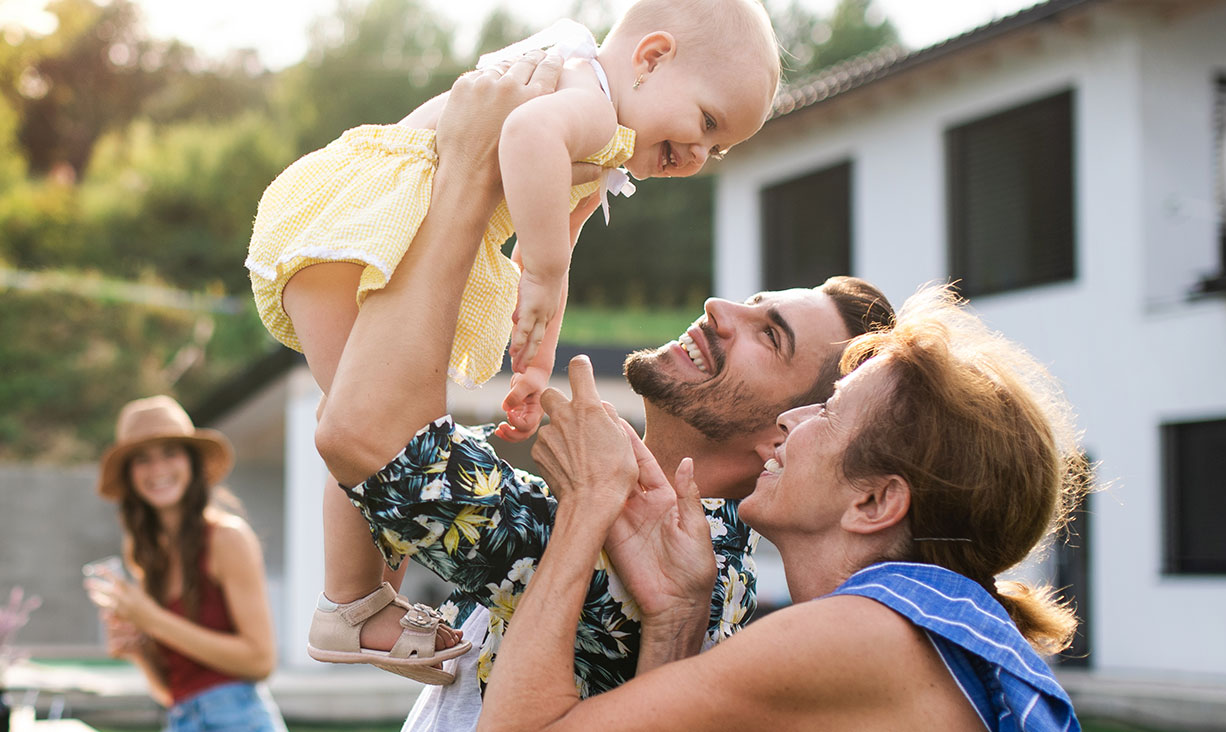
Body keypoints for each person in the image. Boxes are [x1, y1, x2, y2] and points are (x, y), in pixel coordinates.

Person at [302, 51, 897, 730]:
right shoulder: (651, 520)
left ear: (784, 431)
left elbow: (367, 435)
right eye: (751, 300)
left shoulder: (654, 551)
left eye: (770, 335)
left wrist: (465, 169)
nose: (718, 308)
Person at [250, 0, 788, 685]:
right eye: (706, 122)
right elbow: (529, 137)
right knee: (362, 415)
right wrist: (542, 267)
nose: (699, 155)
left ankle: (357, 603)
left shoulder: (605, 138)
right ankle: (351, 604)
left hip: (401, 234)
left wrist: (533, 361)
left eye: (718, 149)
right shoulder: (591, 98)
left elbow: (555, 266)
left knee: (370, 413)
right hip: (369, 223)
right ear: (651, 59)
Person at [478, 287, 1086, 731]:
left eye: (828, 412)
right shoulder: (908, 634)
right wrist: (677, 618)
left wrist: (586, 505)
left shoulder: (861, 636)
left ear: (873, 501)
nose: (792, 421)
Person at [83, 395, 285, 732]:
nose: (158, 470)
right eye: (143, 460)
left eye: (170, 453)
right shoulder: (144, 552)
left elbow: (261, 661)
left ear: (191, 461)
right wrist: (138, 650)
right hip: (180, 720)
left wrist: (151, 619)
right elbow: (170, 690)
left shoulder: (226, 538)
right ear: (130, 473)